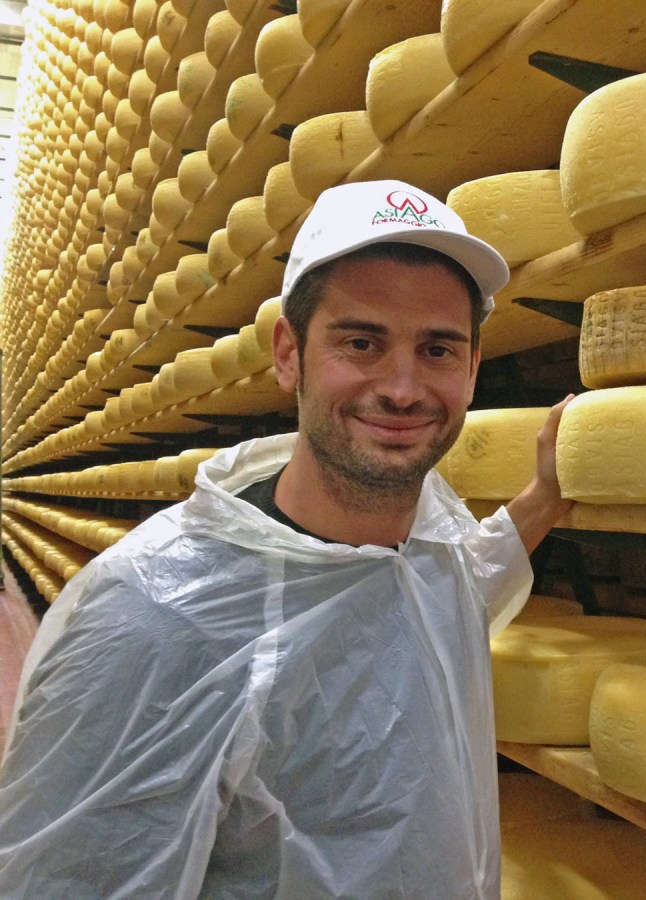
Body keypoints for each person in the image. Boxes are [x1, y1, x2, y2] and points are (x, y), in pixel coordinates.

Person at [0, 180, 575, 897]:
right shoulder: (150, 621)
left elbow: (459, 582)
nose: (402, 387)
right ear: (288, 353)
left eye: (437, 350)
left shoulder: (430, 550)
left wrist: (545, 497)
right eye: (361, 342)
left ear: (471, 372)